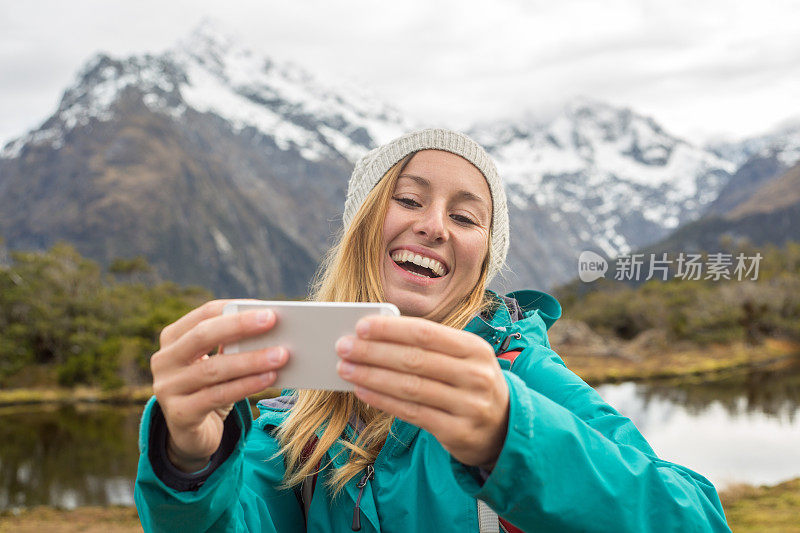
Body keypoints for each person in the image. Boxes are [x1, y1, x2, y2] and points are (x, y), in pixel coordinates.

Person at [134, 128, 732, 532]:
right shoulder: (298, 422)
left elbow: (695, 518)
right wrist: (189, 458)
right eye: (408, 200)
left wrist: (509, 437)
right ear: (360, 227)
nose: (435, 227)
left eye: (466, 216)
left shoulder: (517, 379)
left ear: (482, 259)